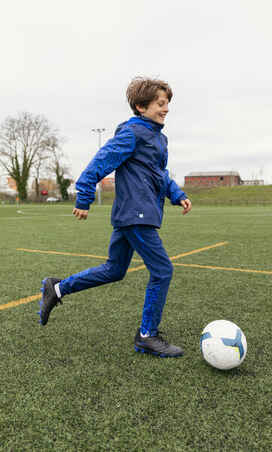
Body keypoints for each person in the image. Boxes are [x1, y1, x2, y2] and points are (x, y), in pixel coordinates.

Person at [38, 77, 192, 358]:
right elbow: (101, 161)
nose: (166, 108)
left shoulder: (159, 138)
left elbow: (159, 173)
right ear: (140, 106)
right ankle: (147, 335)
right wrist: (84, 197)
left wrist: (176, 193)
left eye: (167, 103)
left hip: (138, 213)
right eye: (160, 103)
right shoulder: (133, 133)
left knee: (114, 270)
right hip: (136, 214)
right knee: (163, 271)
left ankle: (57, 289)